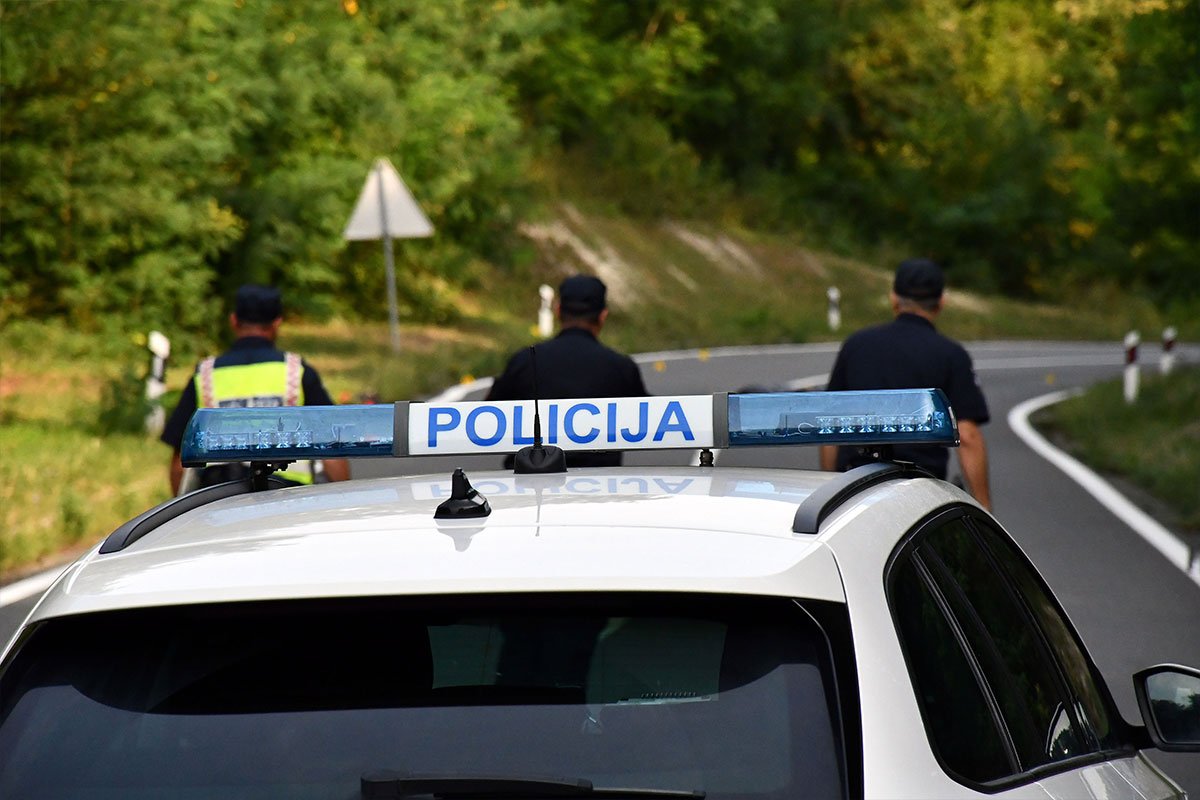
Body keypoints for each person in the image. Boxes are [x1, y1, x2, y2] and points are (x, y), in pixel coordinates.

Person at [818, 258, 991, 509]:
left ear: (893, 299)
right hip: (921, 496)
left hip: (853, 488)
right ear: (941, 302)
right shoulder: (951, 355)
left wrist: (831, 489)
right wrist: (984, 509)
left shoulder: (856, 345)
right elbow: (968, 436)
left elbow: (830, 424)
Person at [161, 284, 351, 494]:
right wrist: (343, 499)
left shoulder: (205, 375)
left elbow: (179, 461)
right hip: (288, 496)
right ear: (277, 323)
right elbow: (332, 450)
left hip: (219, 498)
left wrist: (185, 508)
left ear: (233, 321)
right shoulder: (297, 372)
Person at [486, 274, 649, 467]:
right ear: (603, 316)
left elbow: (486, 420)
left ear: (558, 310)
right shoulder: (622, 367)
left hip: (529, 480)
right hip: (601, 482)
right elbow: (652, 421)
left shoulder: (525, 361)